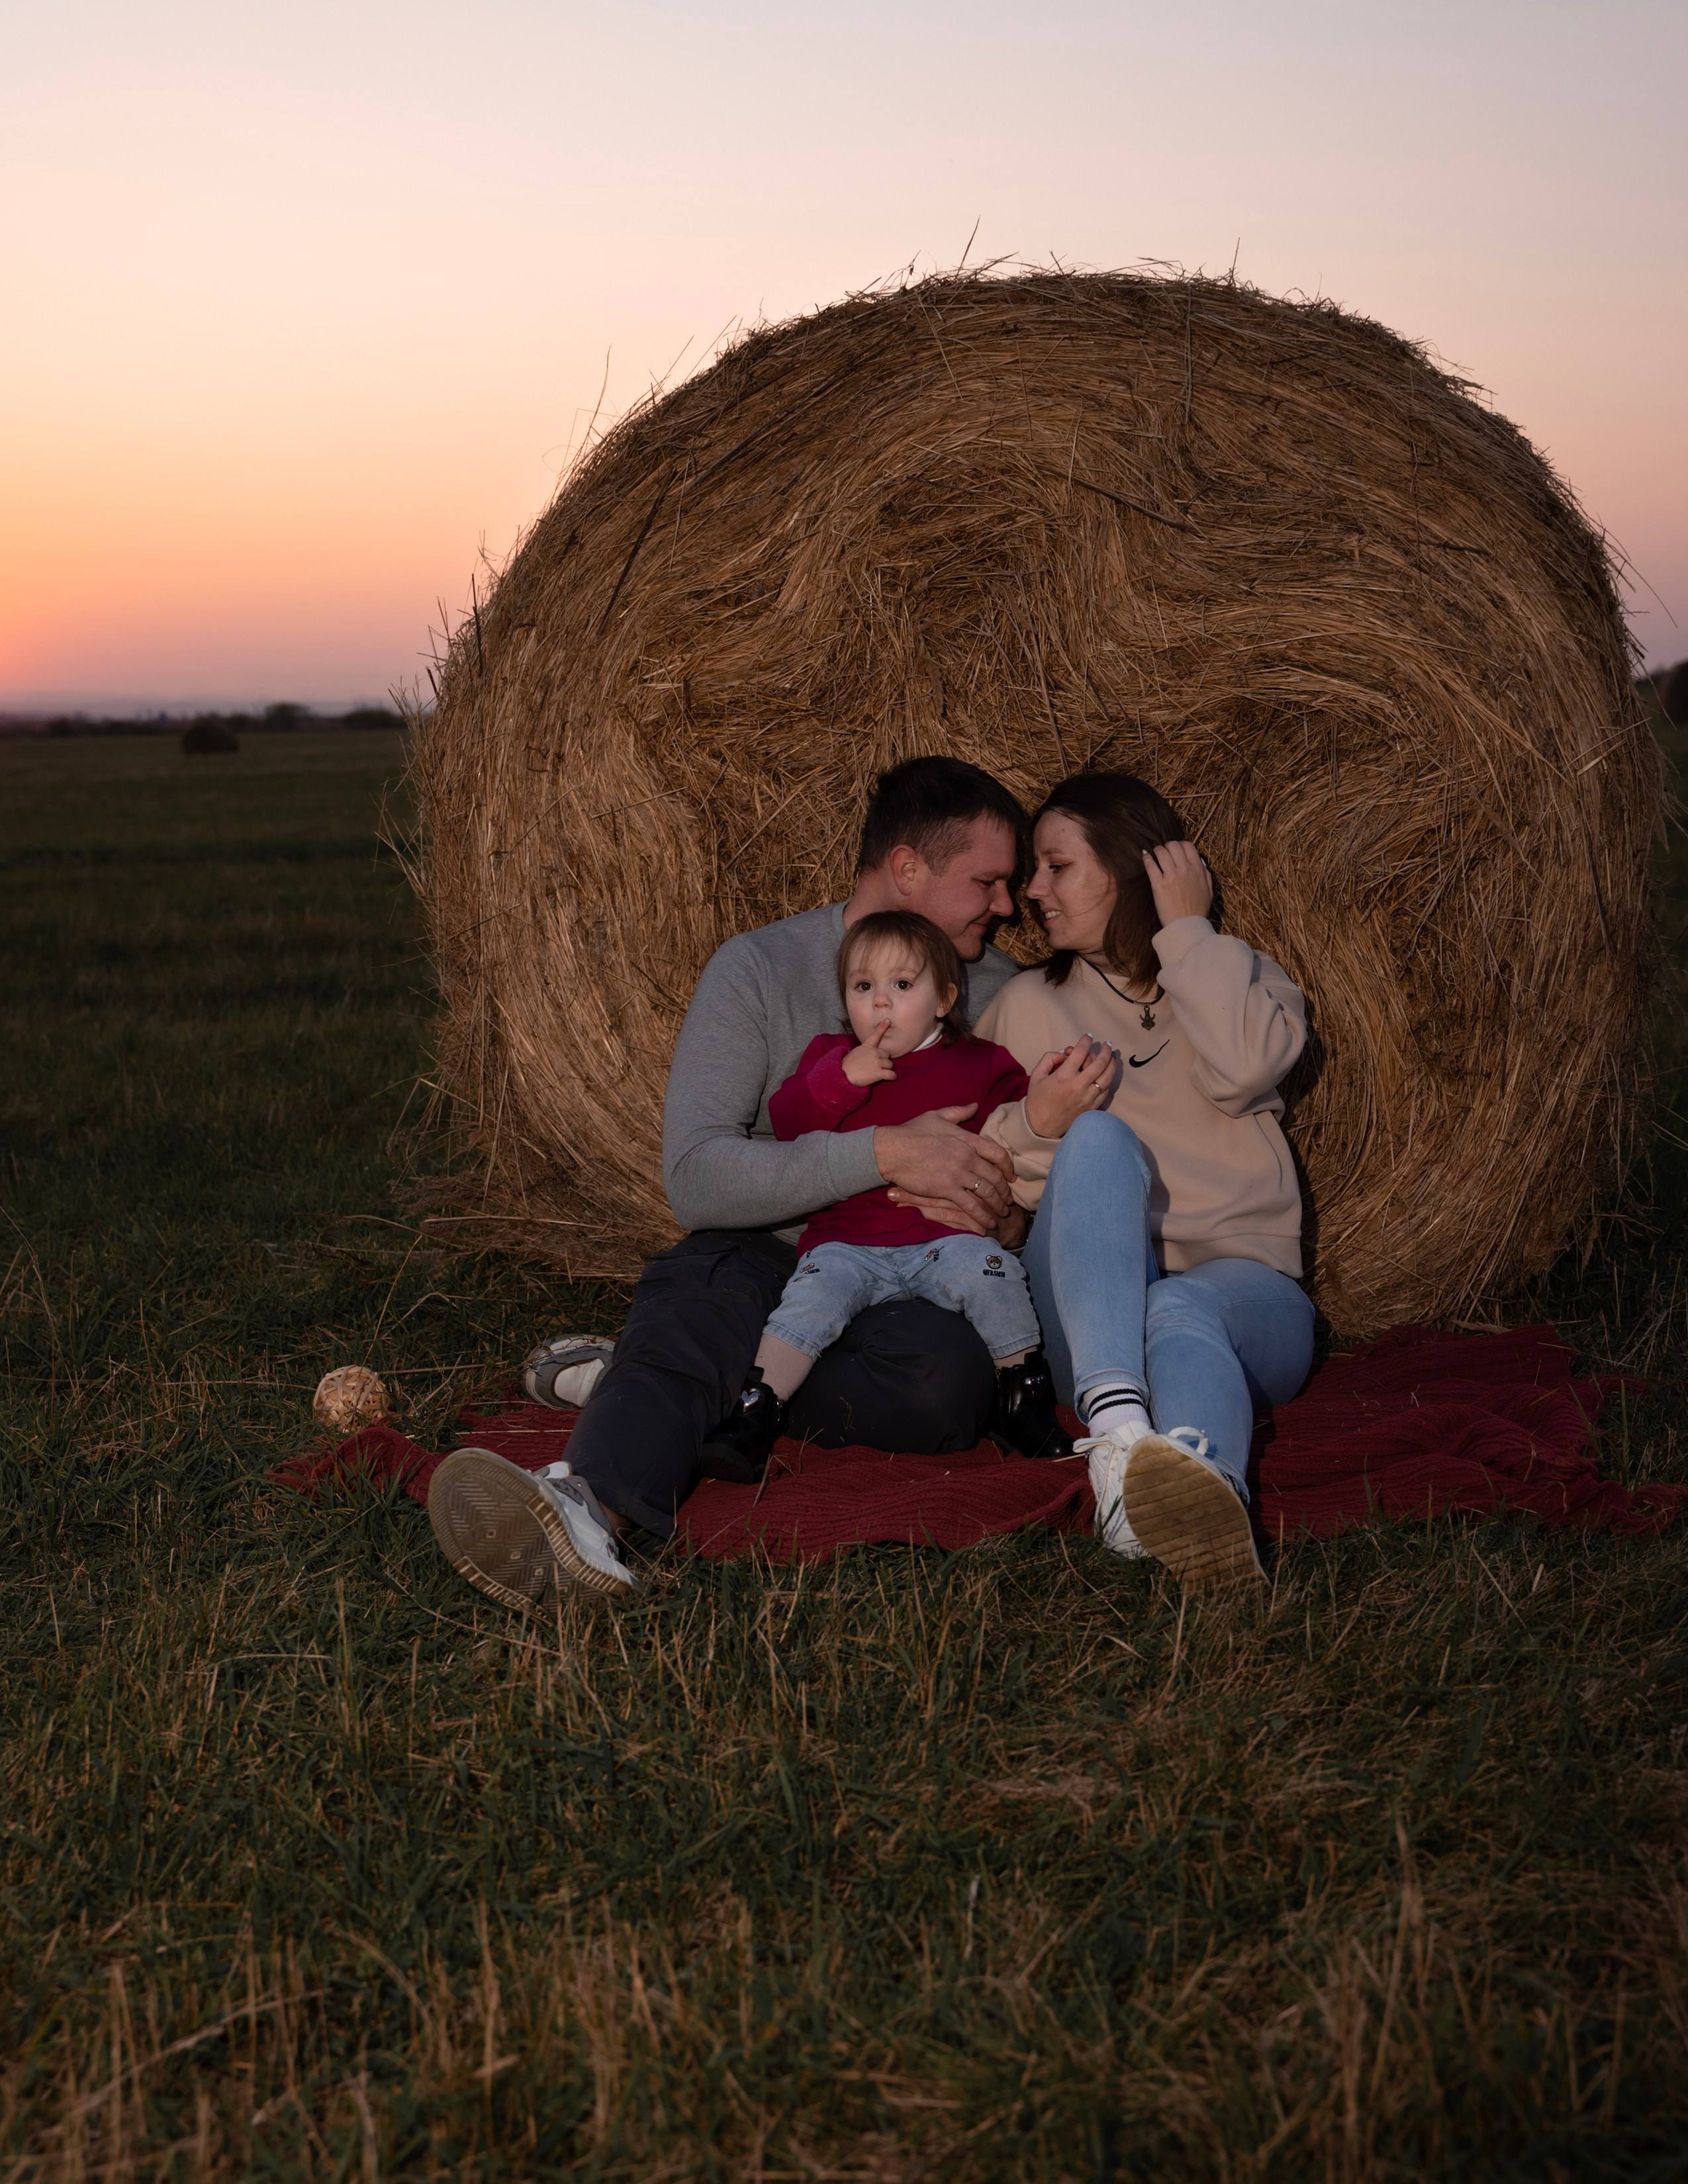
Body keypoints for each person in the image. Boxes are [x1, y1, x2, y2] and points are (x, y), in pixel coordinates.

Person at [426, 757, 1030, 1606]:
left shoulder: (1003, 995)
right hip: (763, 1255)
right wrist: (884, 1153)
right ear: (907, 869)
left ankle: (664, 1380)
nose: (1008, 906)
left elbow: (1038, 1168)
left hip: (912, 1276)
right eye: (987, 882)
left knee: (946, 1392)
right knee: (702, 1295)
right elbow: (698, 1177)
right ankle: (586, 1512)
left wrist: (1006, 1221)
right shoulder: (758, 968)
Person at [974, 771, 1315, 1594]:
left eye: (1058, 867)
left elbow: (1247, 1068)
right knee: (1096, 1137)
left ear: (1135, 869)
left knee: (1179, 1307)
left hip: (1246, 1299)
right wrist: (1041, 1123)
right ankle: (1121, 1437)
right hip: (1090, 1326)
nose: (1032, 891)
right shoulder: (1024, 1006)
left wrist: (1188, 930)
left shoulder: (1235, 975)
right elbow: (980, 1184)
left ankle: (1202, 1506)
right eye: (1034, 870)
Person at [700, 908, 1070, 1478]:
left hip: (945, 1238)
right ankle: (758, 1408)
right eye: (863, 986)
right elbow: (789, 1124)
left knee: (992, 1274)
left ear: (944, 999)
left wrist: (1044, 1106)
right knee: (809, 1302)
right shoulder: (830, 1058)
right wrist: (842, 1078)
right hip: (847, 1242)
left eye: (902, 985)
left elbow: (1015, 1136)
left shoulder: (981, 1061)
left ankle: (1022, 1396)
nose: (880, 1002)